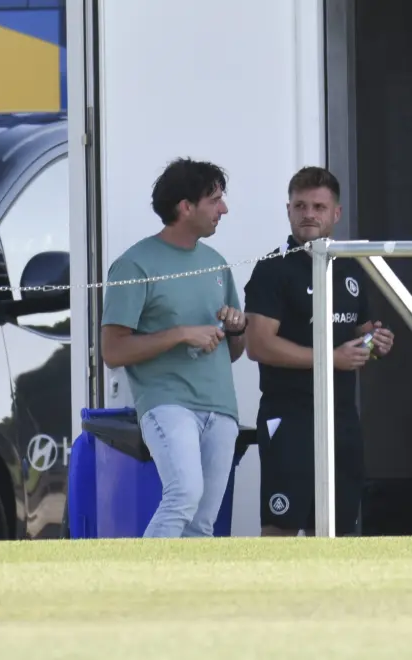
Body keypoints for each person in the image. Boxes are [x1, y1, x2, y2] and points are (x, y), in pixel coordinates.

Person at [243, 166, 394, 537]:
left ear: (336, 214)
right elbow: (257, 344)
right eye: (300, 205)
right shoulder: (273, 269)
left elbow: (358, 333)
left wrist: (376, 343)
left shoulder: (350, 268)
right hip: (289, 416)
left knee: (337, 531)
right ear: (289, 210)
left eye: (318, 207)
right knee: (280, 528)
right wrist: (332, 359)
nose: (309, 213)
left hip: (341, 418)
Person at [100, 157, 247, 538]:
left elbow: (234, 352)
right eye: (215, 200)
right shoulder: (134, 265)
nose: (224, 209)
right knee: (183, 494)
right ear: (186, 207)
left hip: (221, 409)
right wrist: (181, 333)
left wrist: (236, 327)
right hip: (167, 403)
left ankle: (184, 597)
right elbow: (112, 351)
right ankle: (141, 585)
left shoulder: (216, 264)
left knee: (202, 523)